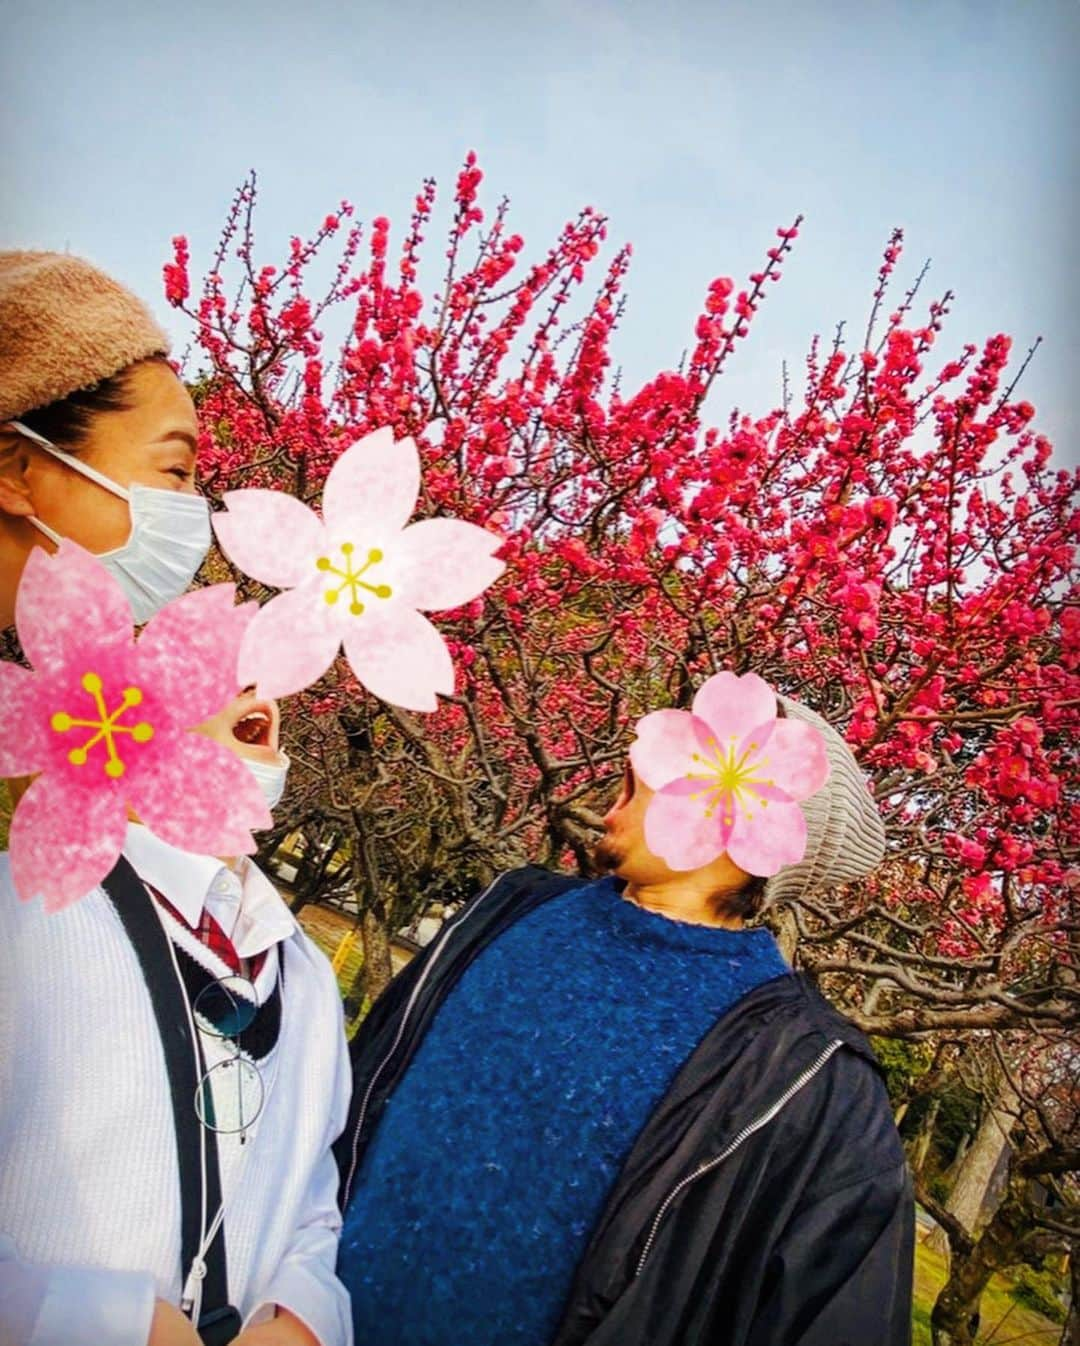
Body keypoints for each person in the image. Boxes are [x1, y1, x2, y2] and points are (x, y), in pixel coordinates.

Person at [0, 251, 352, 1346]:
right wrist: (102, 1318)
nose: (194, 515)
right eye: (172, 469)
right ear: (22, 469)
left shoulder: (288, 963)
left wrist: (305, 1310)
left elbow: (306, 1196)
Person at [335, 690, 914, 1345]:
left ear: (741, 814)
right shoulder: (507, 909)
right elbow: (357, 1098)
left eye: (648, 777)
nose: (621, 788)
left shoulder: (810, 1080)